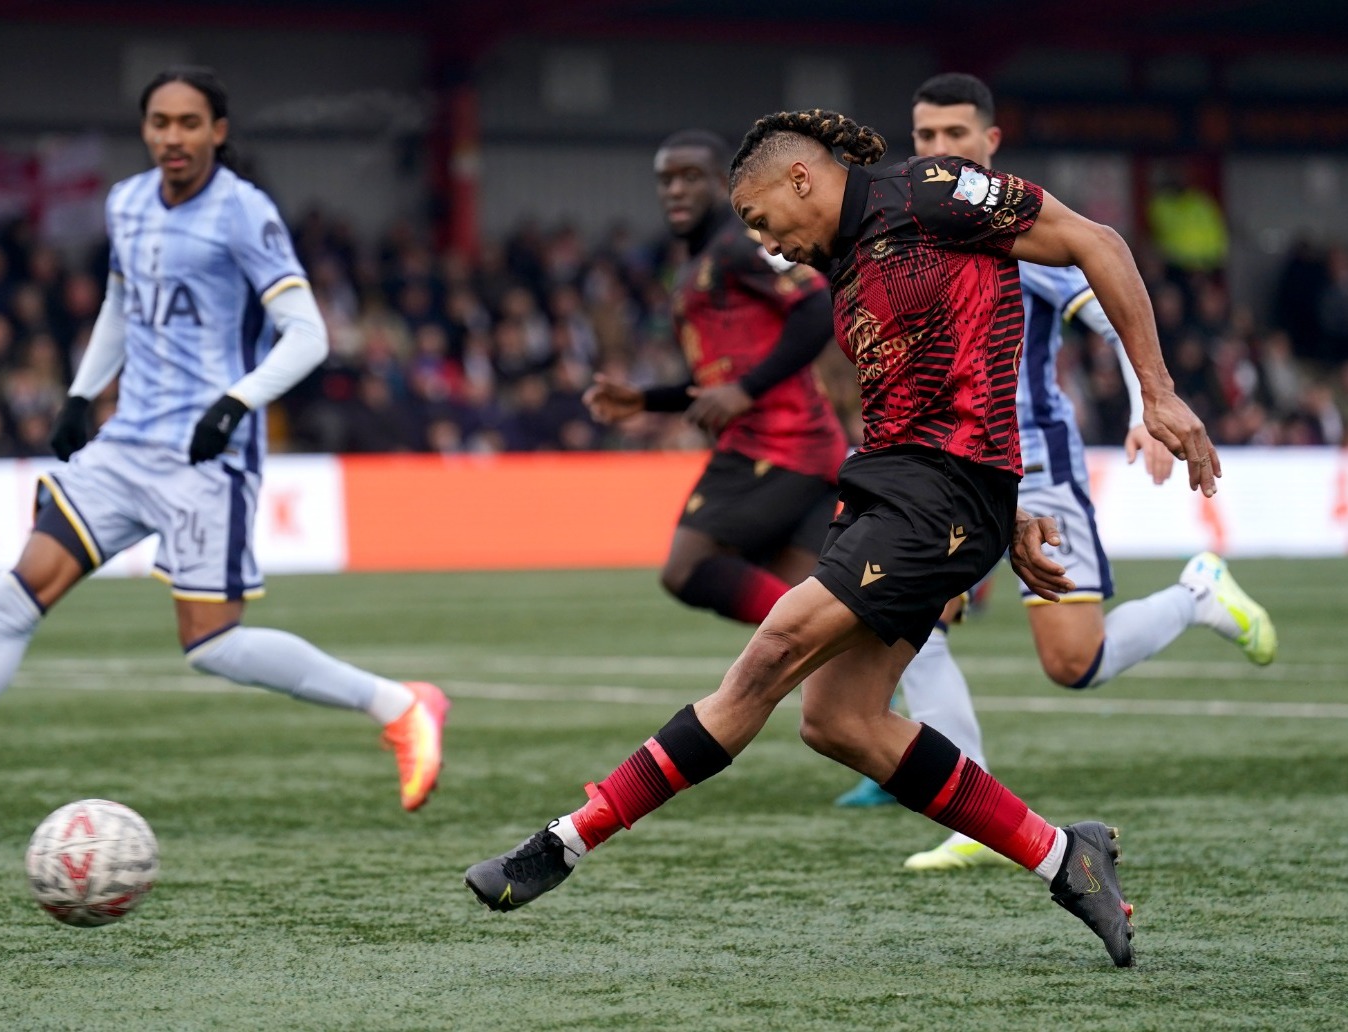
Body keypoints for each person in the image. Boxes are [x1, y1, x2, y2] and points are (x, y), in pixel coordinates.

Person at [467, 106, 1228, 969]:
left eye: (760, 219)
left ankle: (565, 842)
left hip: (938, 494)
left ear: (802, 177)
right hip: (905, 491)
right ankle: (1066, 858)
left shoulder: (930, 191)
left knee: (770, 654)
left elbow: (1100, 244)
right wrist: (1003, 507)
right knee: (837, 722)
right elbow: (935, 383)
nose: (765, 242)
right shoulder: (845, 262)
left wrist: (1155, 392)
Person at [0, 67, 449, 850]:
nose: (172, 138)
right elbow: (124, 304)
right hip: (126, 445)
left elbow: (309, 335)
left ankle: (399, 705)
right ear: (146, 129)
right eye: (159, 122)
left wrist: (235, 404)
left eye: (189, 123)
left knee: (213, 645)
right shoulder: (125, 202)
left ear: (218, 131)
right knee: (16, 595)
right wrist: (82, 395)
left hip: (206, 460)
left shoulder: (244, 214)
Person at [867, 73, 1276, 869]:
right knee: (910, 624)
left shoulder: (1019, 227)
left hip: (1035, 471)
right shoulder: (910, 228)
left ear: (991, 142)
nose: (941, 150)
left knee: (1072, 663)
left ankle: (1197, 595)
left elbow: (1116, 316)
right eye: (926, 137)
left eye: (957, 135)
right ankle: (971, 808)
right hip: (947, 470)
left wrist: (1144, 408)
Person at [583, 130, 845, 624]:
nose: (676, 190)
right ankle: (844, 662)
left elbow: (816, 302)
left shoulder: (740, 244)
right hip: (798, 451)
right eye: (666, 180)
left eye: (691, 177)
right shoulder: (698, 266)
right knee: (794, 601)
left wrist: (746, 391)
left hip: (779, 444)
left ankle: (837, 642)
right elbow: (718, 383)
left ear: (724, 186)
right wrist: (645, 401)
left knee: (688, 567)